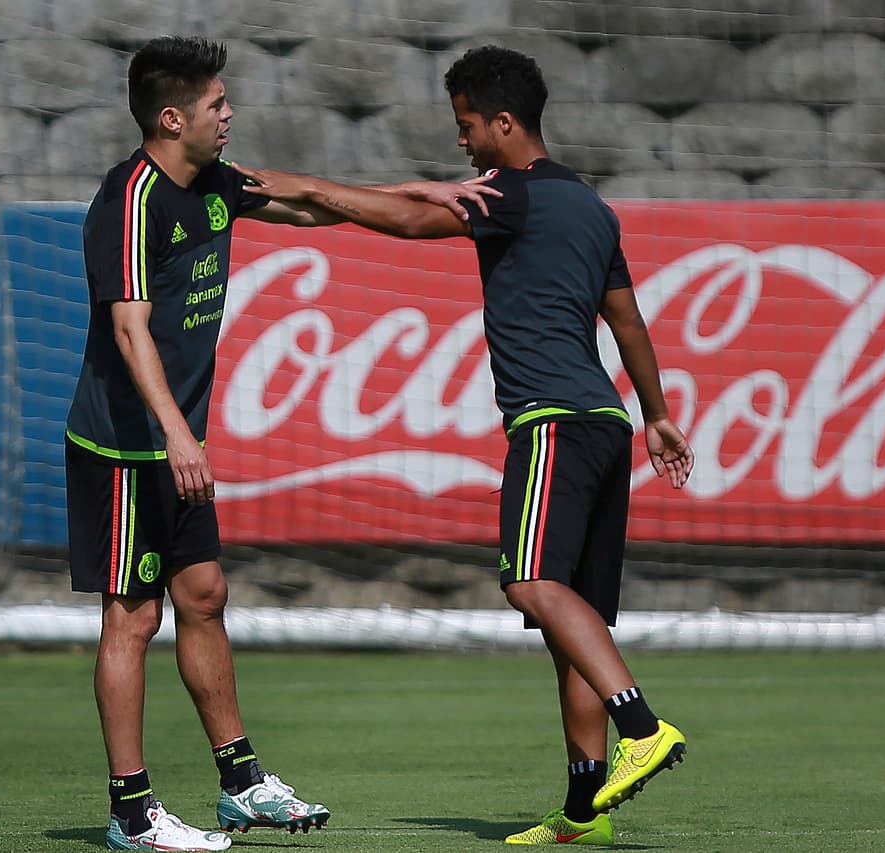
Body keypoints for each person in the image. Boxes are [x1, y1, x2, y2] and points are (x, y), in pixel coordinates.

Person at [233, 44, 694, 847]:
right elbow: (627, 320)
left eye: (467, 125)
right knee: (568, 623)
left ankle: (643, 726)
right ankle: (583, 814)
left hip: (550, 422)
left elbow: (407, 218)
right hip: (607, 425)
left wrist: (303, 186)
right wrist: (656, 415)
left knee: (528, 584)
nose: (461, 144)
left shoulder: (506, 195)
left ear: (504, 124)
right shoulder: (590, 205)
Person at [64, 35, 494, 852]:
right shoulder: (130, 199)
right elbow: (128, 326)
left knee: (204, 597)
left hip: (174, 443)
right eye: (216, 104)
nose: (230, 114)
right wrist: (177, 430)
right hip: (125, 446)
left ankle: (241, 782)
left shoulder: (218, 185)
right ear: (170, 117)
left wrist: (423, 197)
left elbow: (307, 198)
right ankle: (131, 811)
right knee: (132, 615)